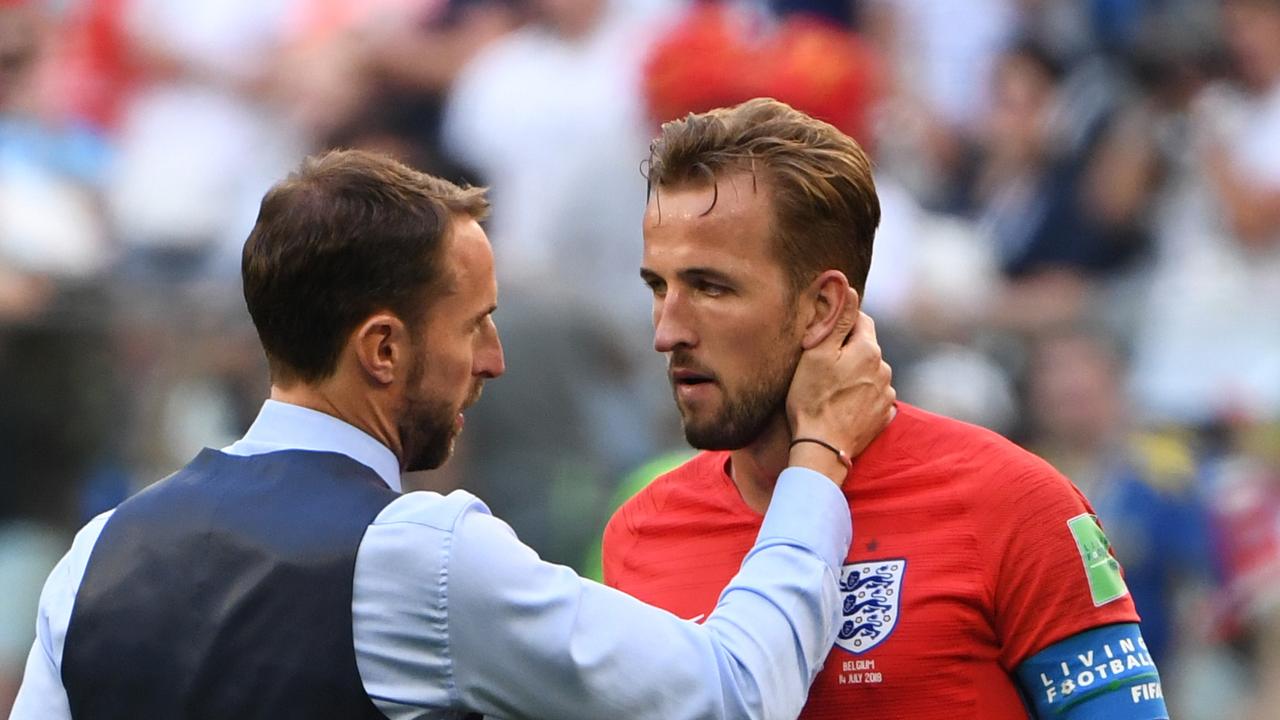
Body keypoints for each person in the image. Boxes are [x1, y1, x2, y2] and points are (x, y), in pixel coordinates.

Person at [9, 149, 896, 719]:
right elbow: (732, 696)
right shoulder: (419, 554)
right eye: (475, 324)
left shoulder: (96, 554)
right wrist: (817, 458)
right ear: (384, 350)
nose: (494, 360)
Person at [602, 98, 1170, 719]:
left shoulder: (1015, 505)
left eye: (711, 287)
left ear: (822, 307)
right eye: (659, 287)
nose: (666, 330)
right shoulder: (638, 533)